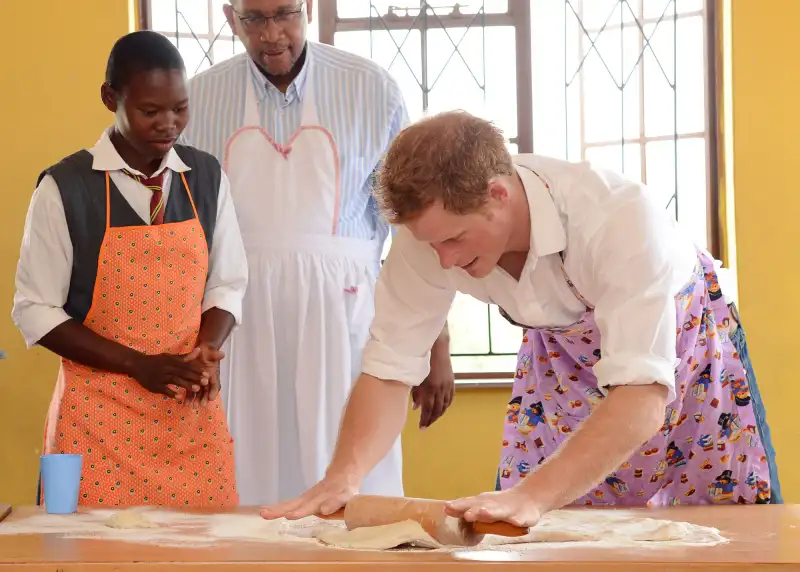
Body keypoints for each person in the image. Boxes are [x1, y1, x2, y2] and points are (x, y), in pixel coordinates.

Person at [259, 110, 781, 524]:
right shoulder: (429, 238)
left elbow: (642, 396)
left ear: (498, 194)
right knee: (540, 534)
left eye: (455, 240)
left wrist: (534, 494)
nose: (443, 261)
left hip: (688, 353)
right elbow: (389, 368)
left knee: (721, 530)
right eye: (430, 243)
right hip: (562, 359)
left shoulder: (619, 219)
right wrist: (343, 476)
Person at [182, 0, 454, 506]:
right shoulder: (198, 99)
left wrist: (436, 345)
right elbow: (186, 232)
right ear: (228, 16)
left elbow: (414, 226)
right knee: (247, 471)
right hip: (241, 323)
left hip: (345, 317)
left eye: (285, 13)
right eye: (254, 19)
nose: (272, 34)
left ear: (308, 6)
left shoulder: (372, 89)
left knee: (350, 468)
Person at [12, 30, 248, 508]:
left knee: (205, 554)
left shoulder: (205, 178)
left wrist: (205, 351)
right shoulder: (64, 188)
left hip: (189, 417)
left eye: (180, 108)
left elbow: (227, 283)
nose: (169, 124)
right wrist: (139, 365)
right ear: (110, 99)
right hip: (97, 426)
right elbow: (35, 310)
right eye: (150, 111)